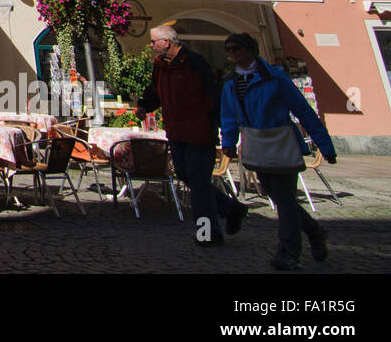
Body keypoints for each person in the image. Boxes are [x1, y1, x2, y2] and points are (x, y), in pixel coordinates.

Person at [220, 33, 336, 271]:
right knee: (278, 198)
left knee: (284, 198)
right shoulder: (231, 82)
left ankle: (288, 251)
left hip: (280, 141)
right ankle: (315, 231)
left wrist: (325, 145)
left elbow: (303, 111)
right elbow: (229, 116)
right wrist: (229, 143)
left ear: (251, 50)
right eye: (229, 50)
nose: (232, 54)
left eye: (236, 49)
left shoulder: (274, 77)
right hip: (255, 145)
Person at [136, 24, 246, 247]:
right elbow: (155, 90)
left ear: (166, 42)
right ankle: (231, 208)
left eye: (153, 42)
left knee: (199, 183)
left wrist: (218, 127)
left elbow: (212, 95)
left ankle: (207, 232)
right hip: (176, 132)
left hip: (199, 131)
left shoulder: (194, 63)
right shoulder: (161, 66)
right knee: (187, 176)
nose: (151, 46)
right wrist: (144, 106)